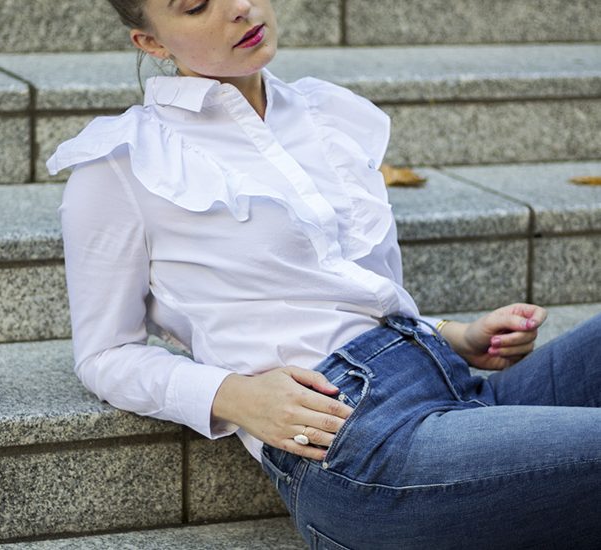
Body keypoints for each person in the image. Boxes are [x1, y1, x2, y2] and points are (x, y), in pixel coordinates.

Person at [47, 1, 601, 548]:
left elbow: (341, 294)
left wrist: (453, 336)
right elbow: (103, 355)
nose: (239, 9)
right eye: (196, 6)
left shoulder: (322, 113)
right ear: (151, 42)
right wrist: (233, 395)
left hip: (454, 389)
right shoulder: (123, 162)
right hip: (358, 449)